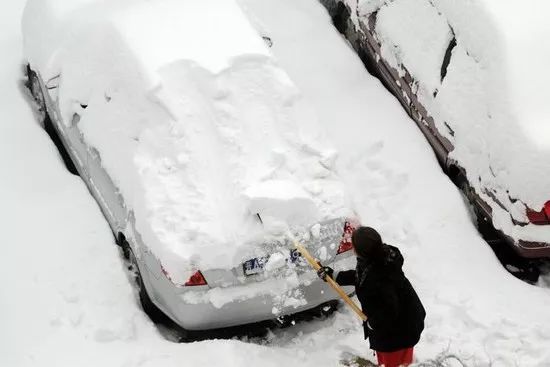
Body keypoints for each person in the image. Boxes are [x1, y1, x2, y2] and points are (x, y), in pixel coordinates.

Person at [317, 226, 425, 367]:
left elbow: (390, 309)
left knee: (393, 363)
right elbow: (362, 277)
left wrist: (373, 323)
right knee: (403, 361)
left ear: (358, 250)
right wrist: (334, 276)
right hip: (406, 320)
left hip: (396, 332)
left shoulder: (379, 276)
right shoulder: (380, 257)